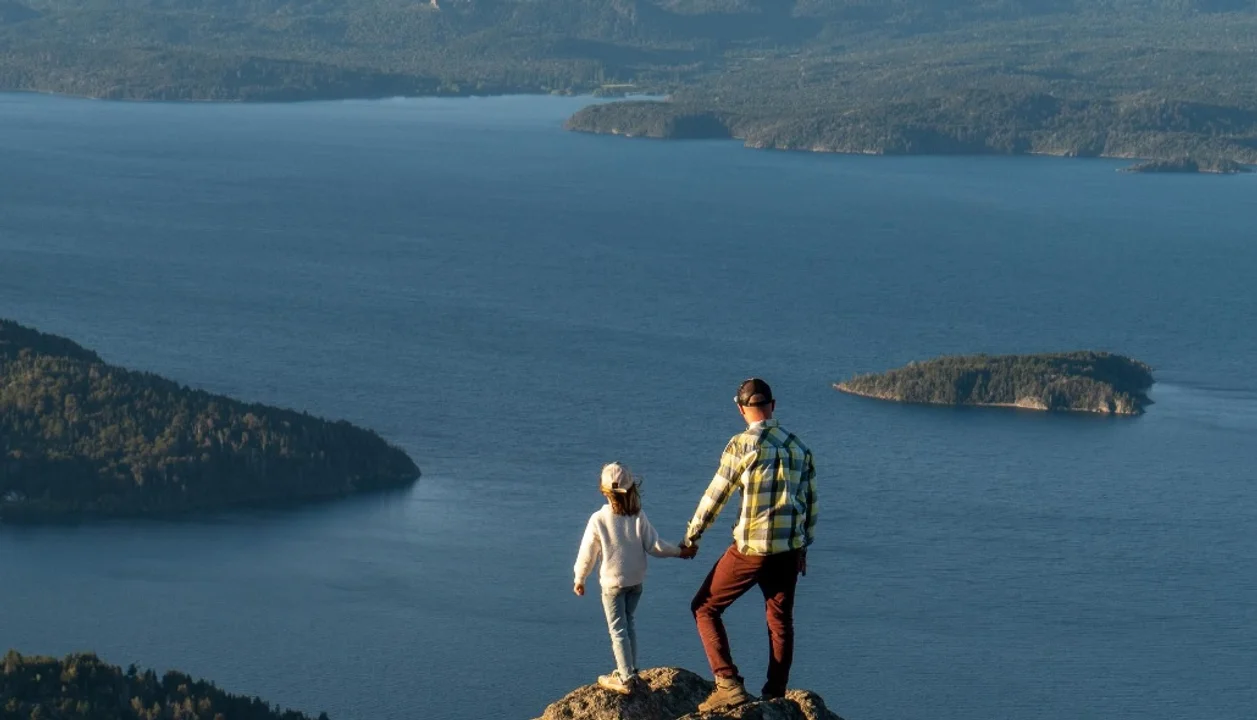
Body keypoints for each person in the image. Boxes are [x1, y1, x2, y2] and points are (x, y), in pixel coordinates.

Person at [683, 378, 818, 711]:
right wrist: (803, 548)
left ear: (741, 408)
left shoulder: (742, 445)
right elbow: (811, 504)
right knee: (780, 621)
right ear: (773, 405)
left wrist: (692, 535)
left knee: (705, 607)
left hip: (751, 550)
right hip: (788, 550)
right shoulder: (799, 447)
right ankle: (775, 695)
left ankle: (728, 683)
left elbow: (717, 496)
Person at [574, 462, 697, 695]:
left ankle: (626, 677)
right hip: (635, 582)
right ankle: (630, 668)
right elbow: (655, 546)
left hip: (613, 585)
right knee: (629, 623)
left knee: (617, 629)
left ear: (603, 491)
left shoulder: (599, 519)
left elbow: (587, 553)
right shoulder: (638, 516)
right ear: (632, 489)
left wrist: (580, 578)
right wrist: (680, 551)